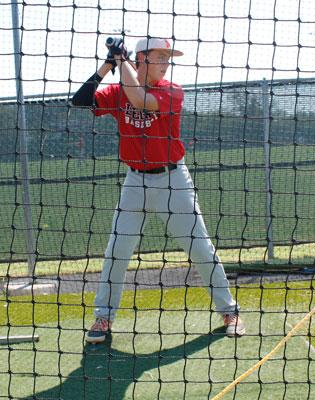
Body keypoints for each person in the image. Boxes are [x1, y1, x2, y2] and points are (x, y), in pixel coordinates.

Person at [71, 37, 245, 343]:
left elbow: (139, 100)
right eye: (160, 56)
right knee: (116, 252)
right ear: (142, 58)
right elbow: (81, 100)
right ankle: (103, 318)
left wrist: (122, 60)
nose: (166, 62)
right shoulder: (117, 91)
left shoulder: (172, 91)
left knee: (200, 248)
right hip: (135, 182)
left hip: (172, 180)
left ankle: (230, 311)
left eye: (168, 57)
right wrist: (108, 64)